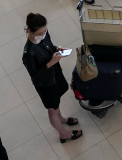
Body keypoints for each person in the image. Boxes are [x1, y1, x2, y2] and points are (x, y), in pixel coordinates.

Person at [21, 12, 82, 144]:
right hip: (45, 84)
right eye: (39, 33)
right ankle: (63, 133)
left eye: (45, 31)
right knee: (52, 109)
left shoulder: (44, 35)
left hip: (55, 75)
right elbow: (35, 76)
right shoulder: (28, 53)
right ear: (30, 31)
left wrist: (57, 49)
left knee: (56, 103)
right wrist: (50, 63)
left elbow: (49, 46)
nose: (43, 35)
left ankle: (62, 119)